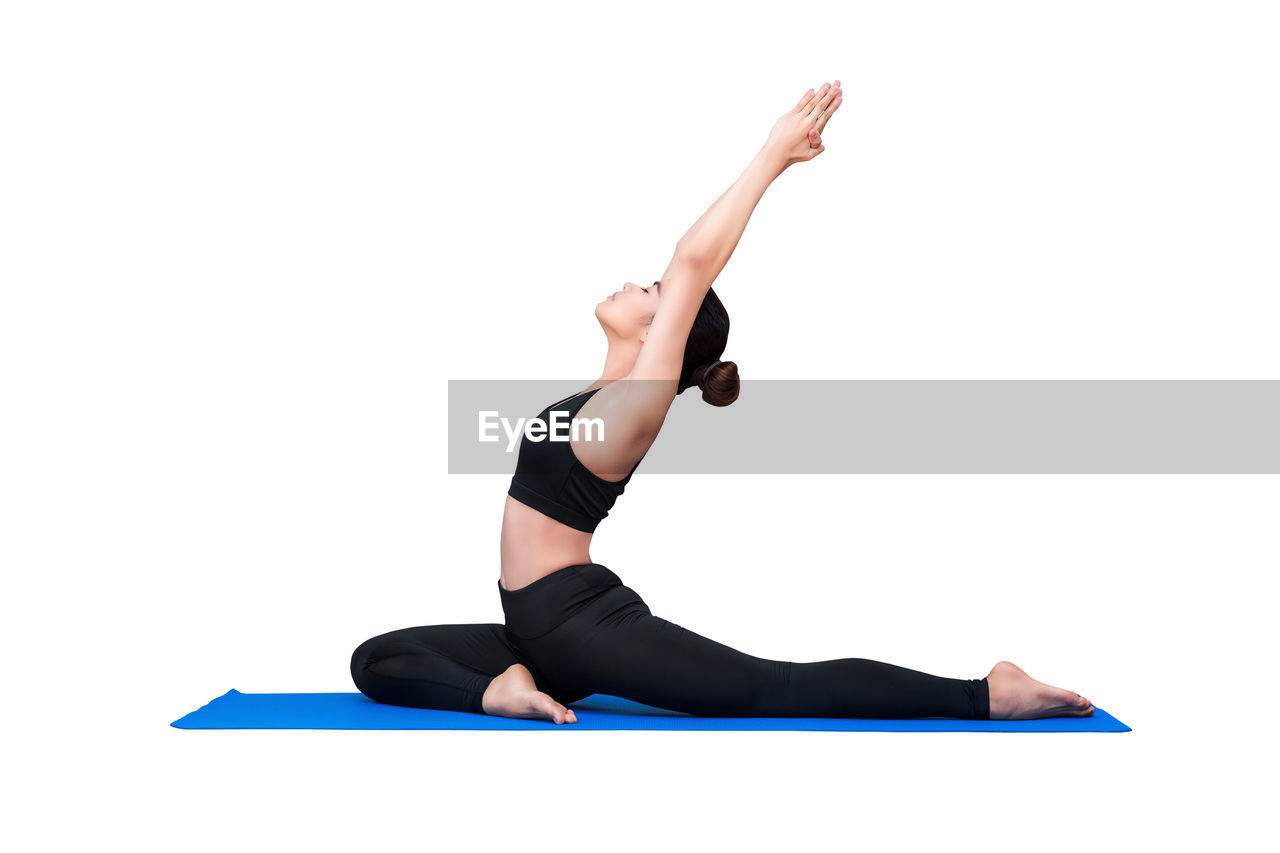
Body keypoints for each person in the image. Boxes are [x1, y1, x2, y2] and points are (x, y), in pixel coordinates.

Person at [351, 81, 1095, 724]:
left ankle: (985, 694)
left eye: (652, 293)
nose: (636, 284)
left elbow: (692, 261)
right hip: (536, 628)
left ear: (665, 329)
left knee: (773, 686)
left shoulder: (634, 410)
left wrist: (771, 156)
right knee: (377, 659)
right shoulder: (600, 391)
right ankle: (503, 687)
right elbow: (671, 287)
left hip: (579, 627)